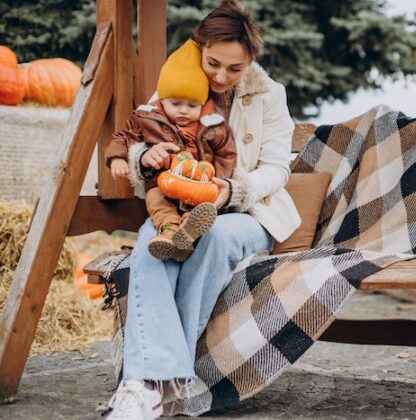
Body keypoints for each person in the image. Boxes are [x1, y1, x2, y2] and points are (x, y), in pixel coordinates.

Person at [105, 1, 301, 419]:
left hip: (248, 213)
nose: (221, 76)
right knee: (153, 246)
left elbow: (278, 168)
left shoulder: (270, 96)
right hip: (177, 207)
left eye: (235, 68)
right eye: (214, 63)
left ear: (250, 61)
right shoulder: (176, 84)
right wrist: (144, 157)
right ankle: (150, 385)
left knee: (212, 236)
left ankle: (148, 381)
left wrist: (230, 191)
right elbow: (139, 137)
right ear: (200, 47)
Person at [105, 39, 237, 262]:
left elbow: (227, 153)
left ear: (202, 103)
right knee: (157, 201)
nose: (184, 111)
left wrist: (219, 179)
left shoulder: (213, 125)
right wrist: (117, 157)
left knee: (200, 205)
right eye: (176, 104)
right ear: (163, 100)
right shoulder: (147, 118)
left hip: (199, 182)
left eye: (192, 105)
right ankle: (168, 231)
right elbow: (123, 137)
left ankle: (189, 228)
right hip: (161, 182)